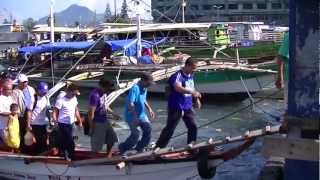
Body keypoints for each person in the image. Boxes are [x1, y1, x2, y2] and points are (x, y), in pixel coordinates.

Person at [155, 58, 202, 149]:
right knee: (170, 129)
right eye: (193, 68)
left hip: (187, 106)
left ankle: (191, 145)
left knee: (193, 126)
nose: (194, 70)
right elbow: (177, 88)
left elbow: (192, 88)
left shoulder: (191, 75)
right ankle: (159, 148)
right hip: (176, 106)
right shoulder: (177, 75)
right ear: (187, 66)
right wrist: (192, 93)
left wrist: (196, 99)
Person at [118, 73, 155, 154]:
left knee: (148, 129)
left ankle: (140, 148)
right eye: (148, 83)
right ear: (143, 80)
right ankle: (123, 147)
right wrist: (135, 117)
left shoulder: (145, 88)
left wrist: (149, 109)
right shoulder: (135, 88)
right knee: (136, 135)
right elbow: (130, 104)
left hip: (142, 115)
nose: (149, 85)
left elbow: (143, 99)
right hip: (131, 115)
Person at [88, 79, 118, 158]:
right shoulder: (95, 95)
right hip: (97, 123)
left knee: (112, 138)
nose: (109, 91)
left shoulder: (104, 93)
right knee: (96, 147)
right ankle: (93, 162)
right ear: (102, 86)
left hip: (105, 120)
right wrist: (91, 128)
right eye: (108, 89)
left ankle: (108, 157)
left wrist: (114, 113)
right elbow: (91, 113)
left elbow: (105, 105)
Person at [52, 84, 82, 161]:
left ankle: (66, 153)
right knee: (70, 141)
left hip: (71, 123)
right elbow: (54, 113)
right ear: (68, 91)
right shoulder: (60, 101)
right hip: (62, 124)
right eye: (73, 94)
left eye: (75, 94)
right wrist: (55, 123)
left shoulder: (74, 99)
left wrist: (80, 121)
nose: (74, 95)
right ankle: (70, 156)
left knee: (69, 140)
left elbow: (76, 110)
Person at [12, 74, 35, 153]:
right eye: (22, 82)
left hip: (30, 113)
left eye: (25, 82)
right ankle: (22, 150)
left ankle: (29, 150)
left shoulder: (31, 89)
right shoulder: (15, 92)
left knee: (29, 132)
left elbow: (33, 101)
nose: (24, 83)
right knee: (21, 133)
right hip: (20, 115)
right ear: (19, 82)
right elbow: (14, 104)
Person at [27, 82, 51, 155]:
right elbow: (29, 112)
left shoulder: (46, 98)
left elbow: (48, 110)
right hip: (35, 123)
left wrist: (51, 121)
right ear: (38, 90)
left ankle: (42, 153)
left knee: (46, 140)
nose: (44, 93)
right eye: (43, 92)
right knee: (40, 141)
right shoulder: (33, 99)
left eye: (45, 92)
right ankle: (38, 155)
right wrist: (28, 124)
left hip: (44, 123)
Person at [275, 32, 289, 111]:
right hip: (292, 77)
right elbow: (280, 57)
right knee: (288, 108)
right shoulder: (291, 35)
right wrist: (280, 78)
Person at [0, 82, 15, 147]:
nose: (10, 91)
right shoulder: (1, 99)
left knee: (11, 142)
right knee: (7, 142)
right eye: (9, 89)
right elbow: (1, 112)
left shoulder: (10, 98)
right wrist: (11, 113)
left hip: (10, 126)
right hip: (2, 126)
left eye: (11, 89)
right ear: (4, 90)